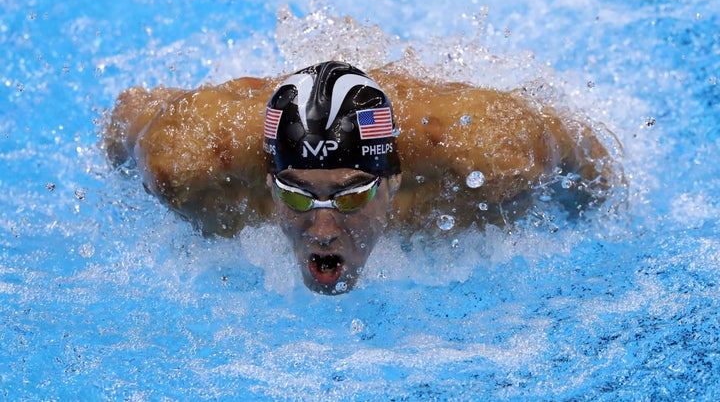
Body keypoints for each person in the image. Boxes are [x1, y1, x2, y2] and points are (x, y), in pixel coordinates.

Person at [104, 61, 621, 294]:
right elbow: (125, 115)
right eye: (298, 194)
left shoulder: (493, 159)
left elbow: (583, 149)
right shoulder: (185, 166)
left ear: (393, 179)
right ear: (267, 179)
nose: (323, 230)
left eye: (350, 196)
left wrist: (602, 218)